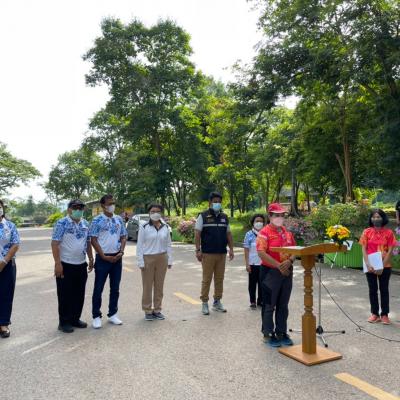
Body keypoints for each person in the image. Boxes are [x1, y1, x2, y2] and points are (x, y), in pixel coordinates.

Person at [256, 203, 296, 348]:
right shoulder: (264, 233)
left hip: (286, 272)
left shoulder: (287, 232)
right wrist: (279, 265)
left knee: (283, 305)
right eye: (276, 215)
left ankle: (281, 332)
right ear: (270, 216)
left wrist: (289, 261)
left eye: (282, 215)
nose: (279, 218)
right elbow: (261, 253)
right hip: (270, 273)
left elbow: (295, 250)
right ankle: (268, 334)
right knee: (269, 305)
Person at [51, 199, 94, 333]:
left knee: (79, 294)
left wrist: (91, 258)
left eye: (81, 208)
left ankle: (75, 319)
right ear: (69, 209)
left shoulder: (85, 224)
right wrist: (57, 263)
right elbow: (55, 244)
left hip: (81, 264)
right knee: (65, 295)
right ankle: (64, 322)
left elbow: (88, 242)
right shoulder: (61, 223)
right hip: (65, 264)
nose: (78, 210)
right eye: (75, 208)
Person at [90, 194, 127, 329]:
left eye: (113, 203)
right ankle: (96, 316)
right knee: (98, 288)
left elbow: (123, 236)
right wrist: (103, 256)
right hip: (103, 258)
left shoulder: (119, 219)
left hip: (117, 258)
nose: (112, 205)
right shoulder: (97, 220)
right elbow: (93, 239)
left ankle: (113, 314)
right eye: (109, 203)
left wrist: (121, 252)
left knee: (115, 288)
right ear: (103, 205)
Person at [195, 192, 234, 315]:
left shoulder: (224, 217)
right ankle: (204, 302)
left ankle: (217, 301)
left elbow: (228, 234)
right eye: (215, 201)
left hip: (221, 253)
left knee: (219, 279)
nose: (217, 204)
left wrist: (231, 249)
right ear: (210, 203)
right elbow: (197, 234)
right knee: (206, 279)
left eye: (219, 202)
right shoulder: (203, 216)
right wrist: (198, 250)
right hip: (208, 253)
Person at [359, 209, 396, 324]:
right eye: (373, 217)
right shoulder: (366, 232)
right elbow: (363, 249)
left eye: (378, 217)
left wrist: (382, 266)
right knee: (372, 290)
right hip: (370, 266)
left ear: (383, 218)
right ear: (371, 219)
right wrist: (368, 264)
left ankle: (384, 315)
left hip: (385, 266)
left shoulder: (389, 233)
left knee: (384, 290)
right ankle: (374, 314)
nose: (376, 219)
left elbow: (390, 251)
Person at [136, 204, 172, 321]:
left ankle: (157, 309)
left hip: (162, 258)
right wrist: (140, 261)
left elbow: (168, 244)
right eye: (152, 211)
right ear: (149, 213)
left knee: (159, 286)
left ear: (161, 213)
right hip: (148, 258)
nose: (155, 213)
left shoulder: (165, 226)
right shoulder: (144, 226)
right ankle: (147, 310)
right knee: (147, 286)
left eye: (157, 211)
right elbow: (139, 245)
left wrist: (170, 259)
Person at [0, 199, 20, 339]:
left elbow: (15, 244)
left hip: (7, 265)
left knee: (6, 294)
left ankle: (3, 323)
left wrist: (3, 261)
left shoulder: (10, 226)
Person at [243, 214, 266, 309]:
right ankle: (252, 301)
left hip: (263, 263)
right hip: (252, 263)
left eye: (261, 221)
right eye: (257, 221)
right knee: (252, 284)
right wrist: (247, 264)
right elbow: (246, 249)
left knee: (262, 284)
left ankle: (261, 301)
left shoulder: (265, 234)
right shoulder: (248, 234)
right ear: (253, 223)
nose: (259, 223)